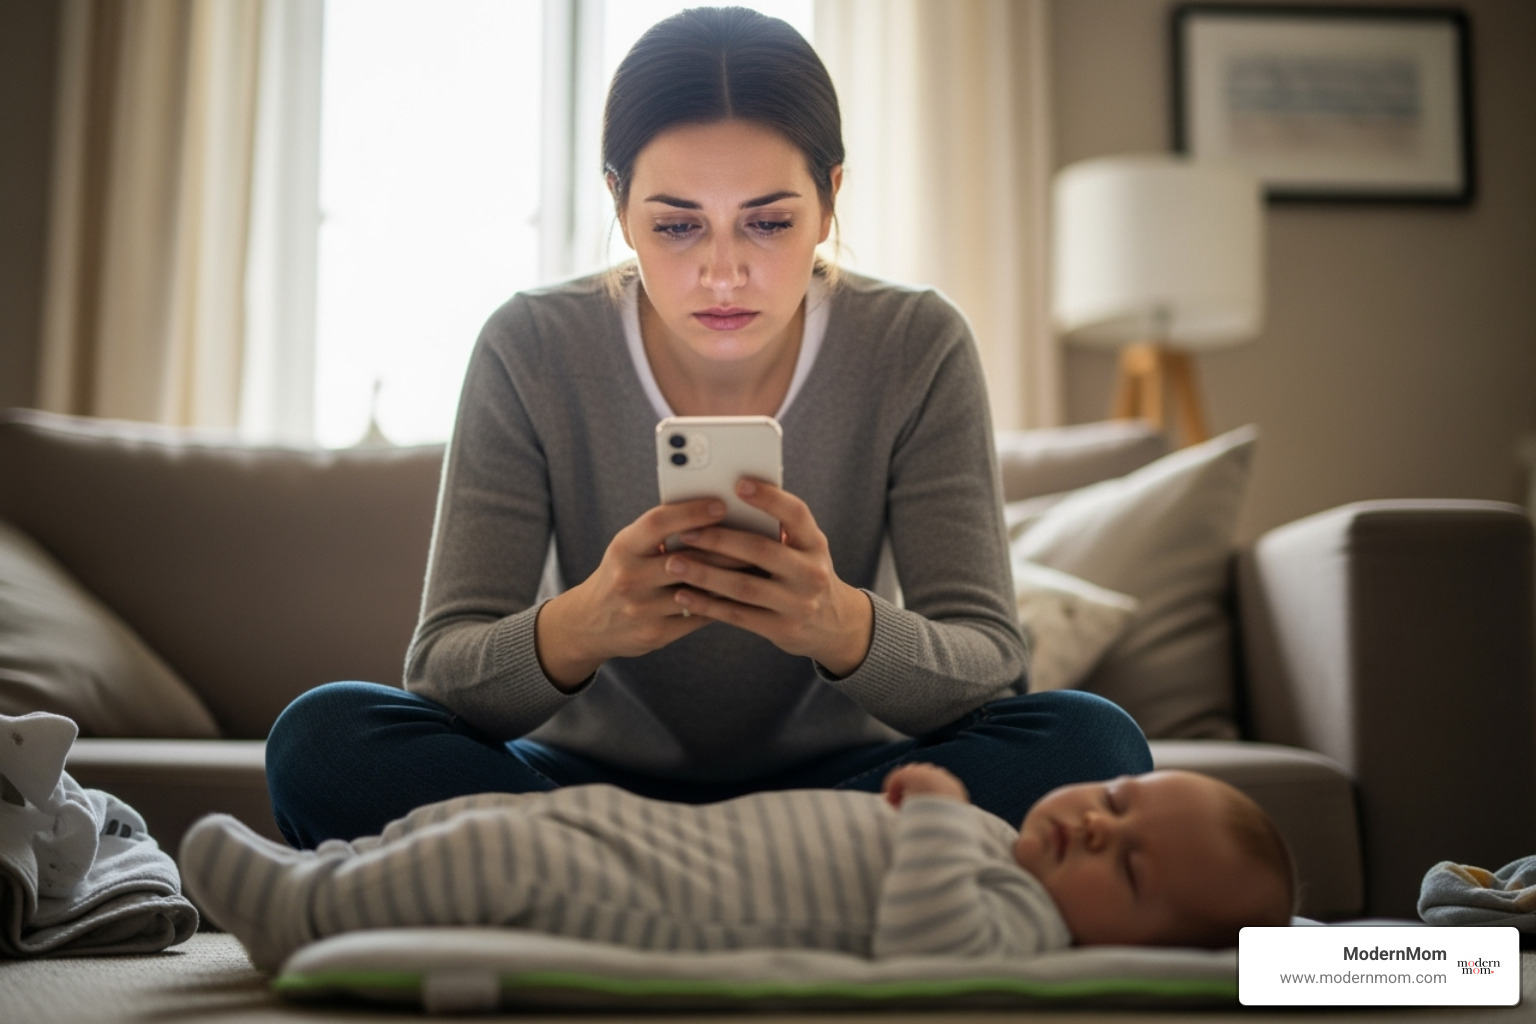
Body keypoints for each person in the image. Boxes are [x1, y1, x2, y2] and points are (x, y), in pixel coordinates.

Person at [264, 6, 1152, 849]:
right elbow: (445, 674)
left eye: (768, 222)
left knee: (1096, 745)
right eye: (677, 225)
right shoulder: (531, 345)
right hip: (585, 785)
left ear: (830, 200)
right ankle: (775, 880)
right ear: (618, 205)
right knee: (322, 738)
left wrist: (841, 624)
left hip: (841, 782)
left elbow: (993, 670)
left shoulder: (914, 343)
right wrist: (584, 623)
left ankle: (619, 886)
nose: (724, 272)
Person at [180, 765, 1296, 973]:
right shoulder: (1008, 853)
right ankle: (342, 862)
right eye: (1115, 799)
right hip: (655, 819)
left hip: (654, 898)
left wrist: (932, 824)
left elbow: (926, 953)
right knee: (466, 812)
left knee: (493, 852)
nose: (1096, 825)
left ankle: (303, 910)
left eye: (1132, 866)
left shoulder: (1025, 930)